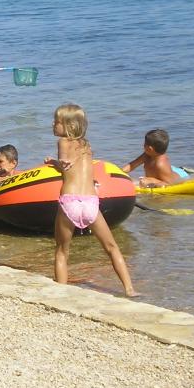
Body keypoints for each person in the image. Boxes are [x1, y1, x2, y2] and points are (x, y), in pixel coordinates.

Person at [45, 104, 138, 297]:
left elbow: (65, 164)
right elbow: (77, 166)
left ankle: (61, 293)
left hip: (70, 201)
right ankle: (130, 290)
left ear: (69, 126)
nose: (53, 124)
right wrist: (61, 163)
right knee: (111, 247)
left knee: (62, 251)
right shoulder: (87, 146)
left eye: (56, 121)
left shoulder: (63, 141)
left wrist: (55, 162)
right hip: (90, 202)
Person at [121, 128, 188, 187]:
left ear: (149, 149)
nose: (143, 145)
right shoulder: (147, 155)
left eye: (144, 144)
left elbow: (171, 184)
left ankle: (185, 170)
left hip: (180, 176)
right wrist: (119, 172)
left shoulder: (161, 165)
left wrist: (153, 181)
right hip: (171, 171)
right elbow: (132, 165)